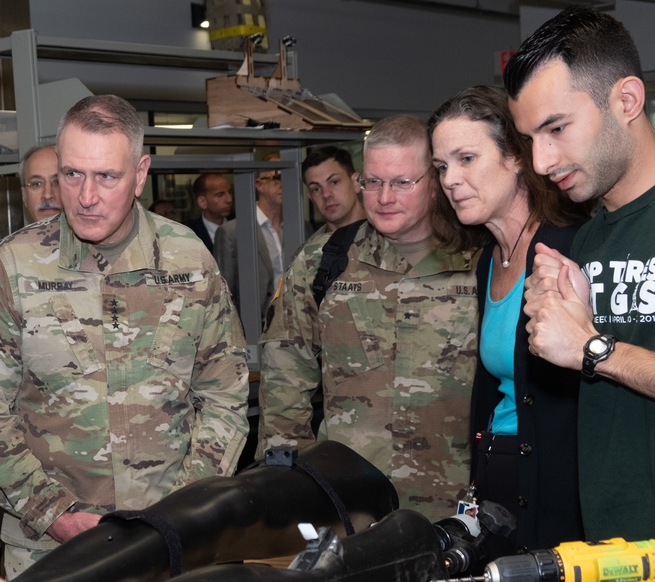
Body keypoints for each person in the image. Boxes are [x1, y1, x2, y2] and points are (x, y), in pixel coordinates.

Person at [0, 94, 250, 579]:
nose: (85, 196)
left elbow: (225, 395)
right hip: (48, 549)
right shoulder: (13, 268)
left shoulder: (186, 259)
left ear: (140, 173)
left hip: (174, 545)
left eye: (106, 177)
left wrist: (188, 508)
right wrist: (57, 515)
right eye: (71, 174)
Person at [257, 115, 481, 520]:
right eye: (372, 182)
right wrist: (285, 483)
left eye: (401, 183)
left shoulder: (481, 261)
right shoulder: (324, 260)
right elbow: (284, 378)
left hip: (456, 505)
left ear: (434, 182)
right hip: (349, 502)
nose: (384, 197)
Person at [506, 6, 655, 541]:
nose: (542, 161)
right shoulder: (588, 237)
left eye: (557, 128)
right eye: (529, 140)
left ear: (627, 100)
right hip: (610, 559)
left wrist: (593, 348)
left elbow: (594, 353)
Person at [429, 85, 586, 553]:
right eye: (441, 167)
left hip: (559, 493)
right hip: (499, 483)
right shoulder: (489, 259)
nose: (450, 179)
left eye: (466, 159)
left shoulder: (571, 246)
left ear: (516, 157)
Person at [214, 163, 283, 323]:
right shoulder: (233, 232)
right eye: (277, 178)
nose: (284, 183)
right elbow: (225, 293)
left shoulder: (300, 226)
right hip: (255, 327)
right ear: (260, 185)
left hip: (295, 326)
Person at [303, 147, 366, 233]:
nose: (325, 194)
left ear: (356, 182)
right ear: (310, 197)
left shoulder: (387, 235)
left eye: (334, 182)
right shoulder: (313, 246)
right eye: (316, 189)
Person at [186, 173, 233, 251]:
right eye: (220, 195)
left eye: (230, 192)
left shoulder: (242, 224)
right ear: (202, 202)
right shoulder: (191, 235)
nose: (229, 199)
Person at [21, 143, 63, 223]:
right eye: (36, 184)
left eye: (57, 182)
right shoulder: (18, 236)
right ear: (24, 196)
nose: (47, 195)